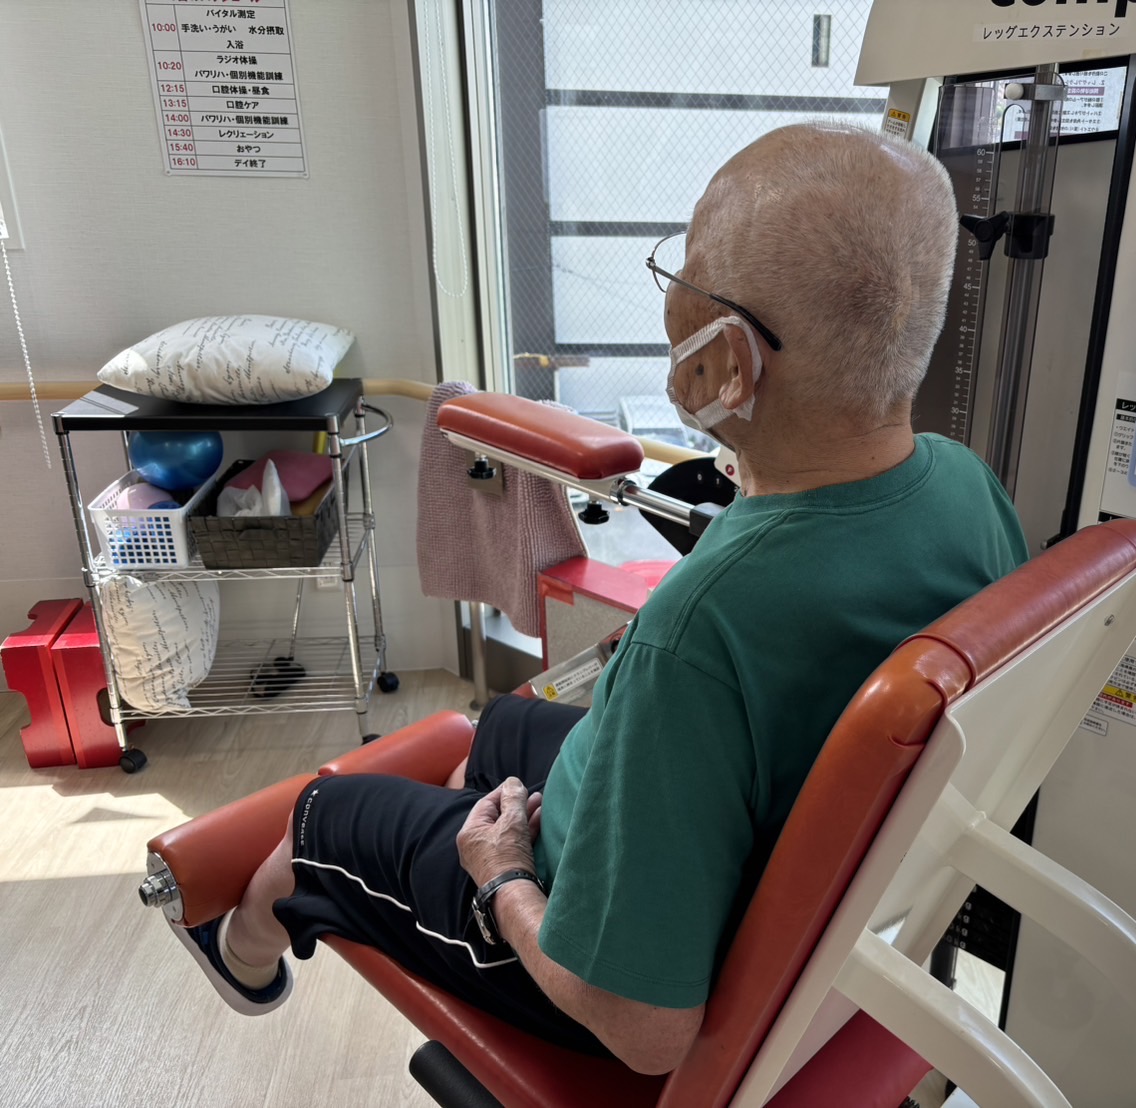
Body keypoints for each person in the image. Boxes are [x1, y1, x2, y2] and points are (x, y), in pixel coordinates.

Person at [170, 121, 1029, 1076]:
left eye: (682, 273)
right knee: (500, 728)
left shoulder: (700, 629)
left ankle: (243, 952)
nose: (671, 295)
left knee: (320, 819)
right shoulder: (965, 487)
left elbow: (644, 1031)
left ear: (729, 361)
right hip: (781, 869)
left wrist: (503, 880)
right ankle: (460, 835)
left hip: (605, 974)